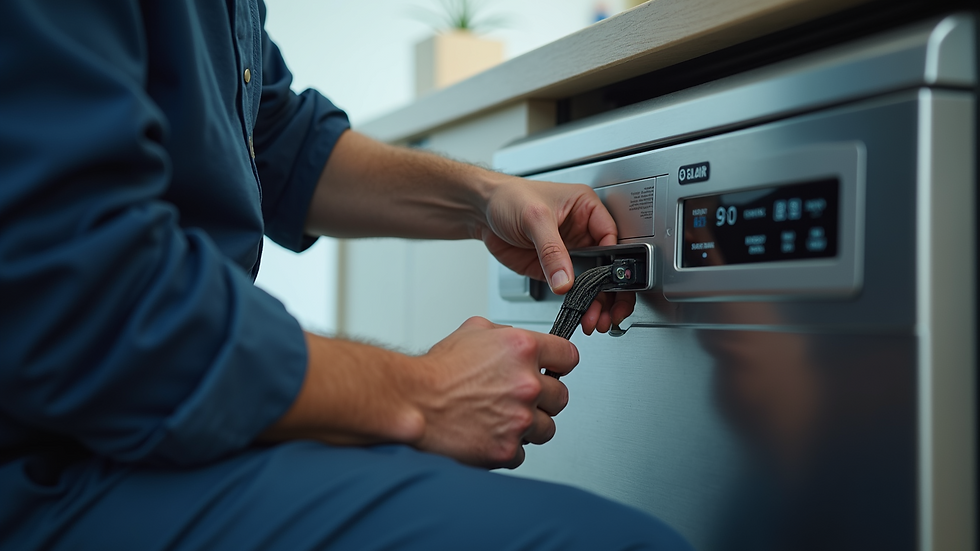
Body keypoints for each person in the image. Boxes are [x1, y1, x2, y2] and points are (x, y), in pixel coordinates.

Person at [0, 1, 691, 549]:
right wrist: (424, 393)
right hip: (48, 461)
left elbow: (277, 137)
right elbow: (95, 298)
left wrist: (484, 198)